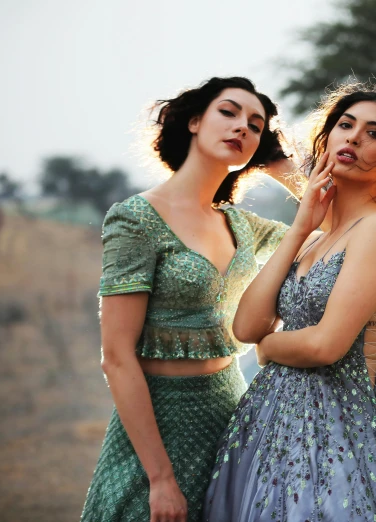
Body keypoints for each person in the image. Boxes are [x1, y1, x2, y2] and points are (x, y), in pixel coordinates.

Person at [81, 77, 301, 522]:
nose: (242, 127)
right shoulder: (136, 219)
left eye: (256, 125)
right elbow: (116, 356)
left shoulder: (242, 226)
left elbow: (331, 229)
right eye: (229, 112)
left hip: (231, 416)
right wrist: (161, 479)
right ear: (195, 122)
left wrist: (279, 163)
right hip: (160, 427)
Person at [203, 82, 376, 521]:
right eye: (345, 125)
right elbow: (245, 327)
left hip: (346, 438)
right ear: (327, 139)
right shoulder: (315, 237)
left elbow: (325, 346)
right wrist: (301, 228)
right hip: (271, 431)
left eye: (374, 134)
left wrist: (269, 349)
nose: (354, 138)